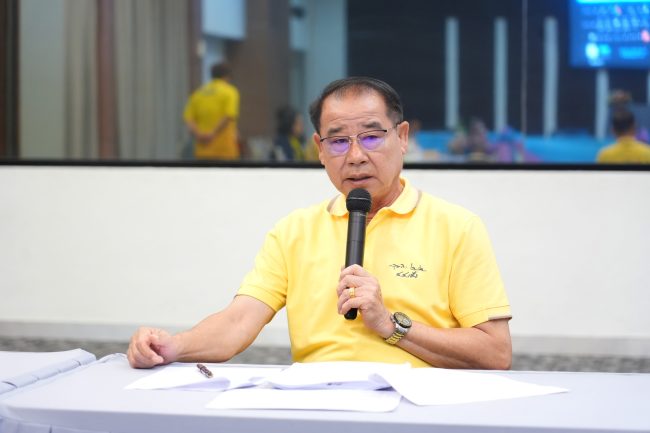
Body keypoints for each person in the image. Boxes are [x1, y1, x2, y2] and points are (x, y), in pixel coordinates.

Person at [128, 77, 512, 370]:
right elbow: (238, 321)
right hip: (316, 405)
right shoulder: (294, 231)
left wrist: (391, 325)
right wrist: (173, 346)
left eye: (371, 137)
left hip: (417, 409)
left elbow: (495, 352)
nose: (356, 156)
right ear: (320, 150)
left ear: (402, 137)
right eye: (338, 142)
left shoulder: (456, 227)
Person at [183, 62, 240, 160]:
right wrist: (212, 134)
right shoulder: (230, 92)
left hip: (202, 151)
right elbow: (229, 116)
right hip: (225, 151)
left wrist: (199, 135)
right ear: (226, 76)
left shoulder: (198, 93)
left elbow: (188, 118)